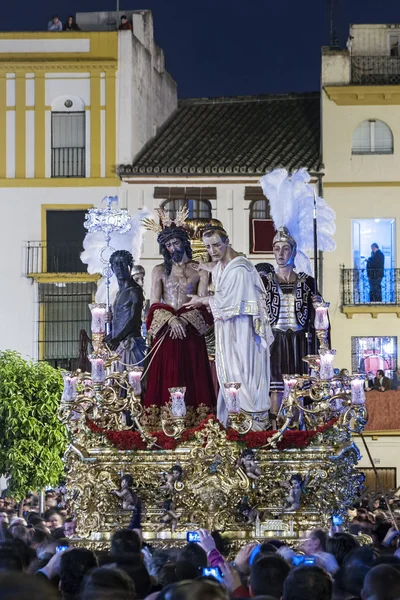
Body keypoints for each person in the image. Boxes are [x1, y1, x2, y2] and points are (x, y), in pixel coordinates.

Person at [184, 224, 273, 429]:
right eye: (208, 247)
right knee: (231, 374)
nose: (212, 251)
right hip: (229, 329)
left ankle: (250, 422)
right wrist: (203, 267)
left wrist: (203, 300)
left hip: (243, 333)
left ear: (227, 242)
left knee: (242, 373)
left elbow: (229, 302)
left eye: (216, 245)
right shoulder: (223, 266)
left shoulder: (240, 270)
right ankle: (234, 420)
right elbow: (218, 270)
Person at [144, 214, 215, 412]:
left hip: (189, 331)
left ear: (184, 243)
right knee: (165, 374)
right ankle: (162, 420)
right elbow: (154, 303)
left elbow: (201, 303)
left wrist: (183, 320)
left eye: (176, 243)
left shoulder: (199, 270)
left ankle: (197, 418)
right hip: (167, 332)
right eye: (168, 245)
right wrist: (170, 320)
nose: (173, 248)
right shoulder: (159, 271)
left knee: (192, 374)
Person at [261, 228, 324, 419]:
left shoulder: (308, 282)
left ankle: (298, 425)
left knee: (300, 385)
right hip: (275, 340)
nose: (280, 253)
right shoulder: (265, 282)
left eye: (285, 249)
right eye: (277, 248)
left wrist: (317, 305)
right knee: (276, 386)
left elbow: (319, 318)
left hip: (299, 341)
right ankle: (275, 426)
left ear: (294, 252)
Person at [104, 250, 146, 366]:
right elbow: (120, 320)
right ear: (112, 269)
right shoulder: (118, 294)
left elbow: (134, 319)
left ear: (130, 266)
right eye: (116, 265)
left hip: (130, 345)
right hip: (119, 344)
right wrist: (111, 333)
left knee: (130, 381)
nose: (119, 268)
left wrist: (117, 338)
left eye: (123, 264)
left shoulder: (135, 291)